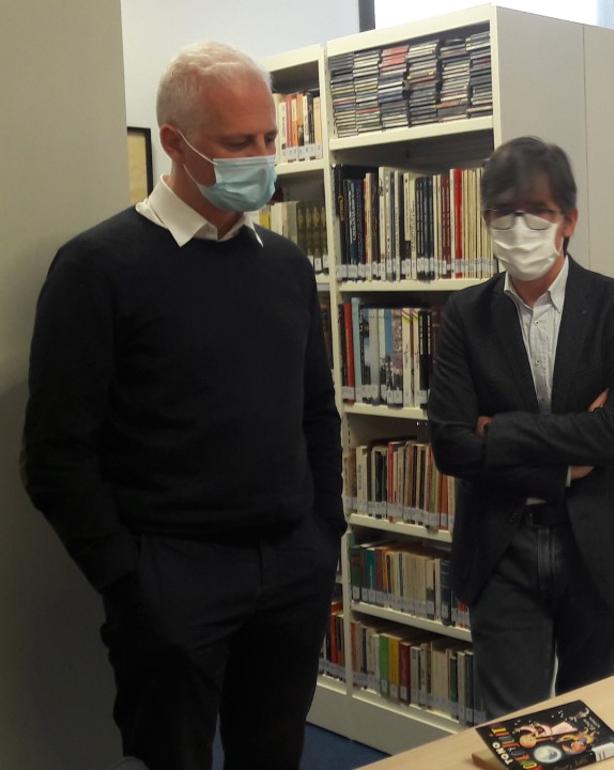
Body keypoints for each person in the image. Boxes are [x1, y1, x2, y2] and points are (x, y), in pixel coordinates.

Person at [21, 42, 342, 769]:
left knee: (274, 753)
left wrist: (325, 533)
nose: (262, 158)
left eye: (269, 139)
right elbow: (55, 454)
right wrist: (131, 582)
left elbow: (316, 415)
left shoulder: (287, 269)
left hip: (289, 568)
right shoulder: (96, 268)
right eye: (238, 143)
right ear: (174, 142)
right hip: (173, 580)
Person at [427, 136, 614, 718]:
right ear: (485, 220)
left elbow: (613, 432)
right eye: (503, 212)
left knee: (591, 723)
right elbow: (451, 446)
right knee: (513, 729)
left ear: (569, 220)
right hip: (501, 545)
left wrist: (500, 432)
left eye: (538, 211)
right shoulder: (464, 314)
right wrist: (567, 453)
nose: (521, 226)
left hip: (599, 544)